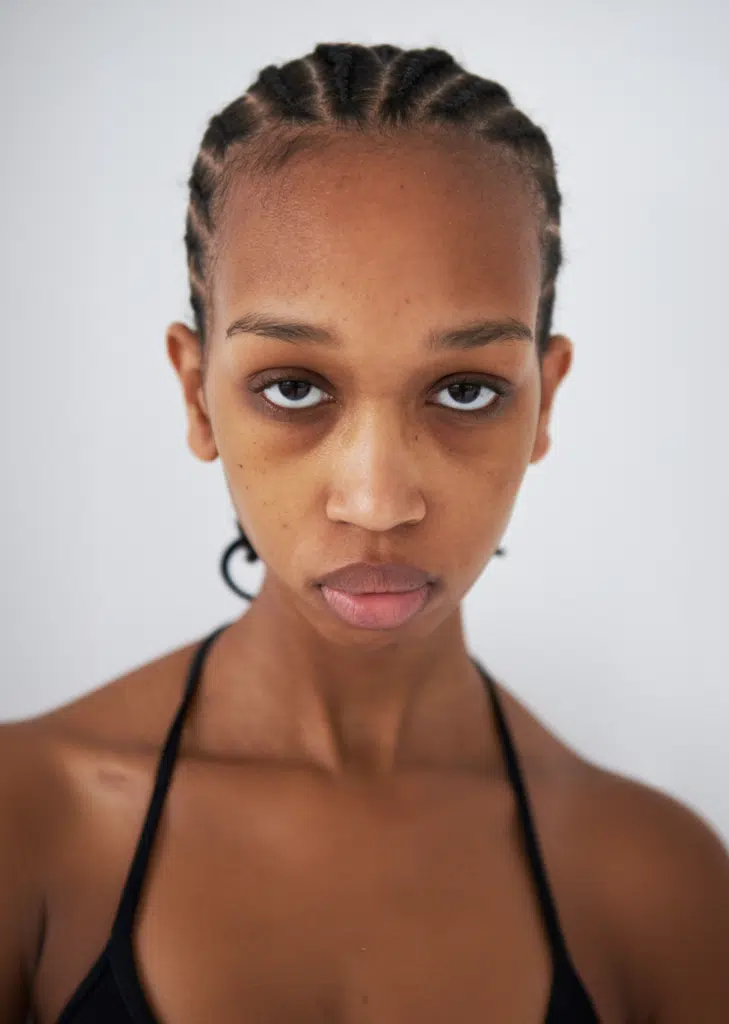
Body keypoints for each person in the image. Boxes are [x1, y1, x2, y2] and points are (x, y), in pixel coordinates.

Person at [2, 41, 728, 1024]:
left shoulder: (661, 884)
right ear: (197, 393)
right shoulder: (28, 824)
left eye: (466, 390)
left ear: (544, 399)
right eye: (294, 387)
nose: (378, 501)